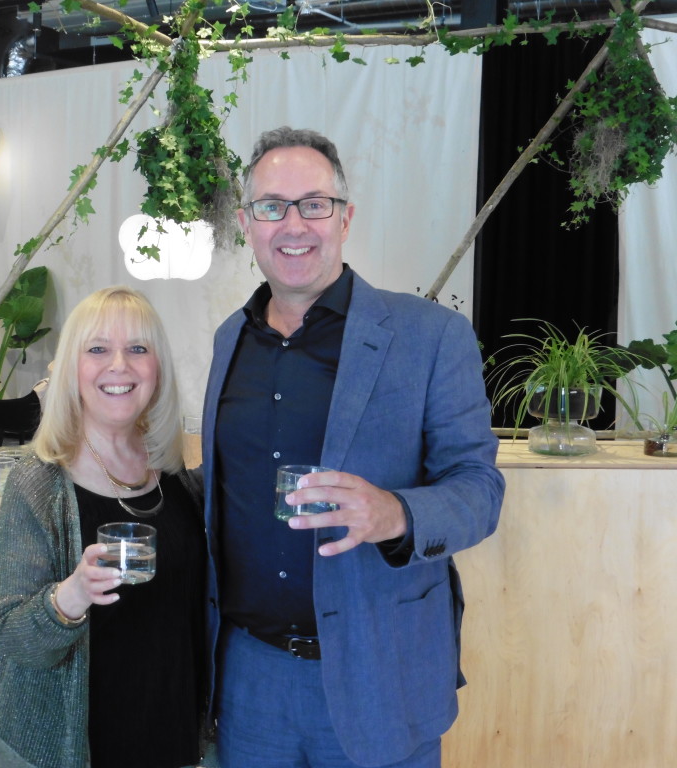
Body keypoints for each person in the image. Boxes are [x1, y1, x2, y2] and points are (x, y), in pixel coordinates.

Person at [202, 127, 505, 768]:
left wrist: (393, 515)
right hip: (248, 677)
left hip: (379, 671)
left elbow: (479, 487)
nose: (294, 224)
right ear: (246, 222)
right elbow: (223, 483)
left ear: (345, 218)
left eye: (314, 203)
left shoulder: (430, 336)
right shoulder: (230, 339)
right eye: (272, 206)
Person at [0, 286, 206, 768]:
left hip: (174, 735)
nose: (119, 366)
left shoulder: (174, 473)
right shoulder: (39, 481)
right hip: (81, 747)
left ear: (158, 369)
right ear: (72, 368)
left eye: (138, 349)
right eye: (98, 349)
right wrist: (73, 594)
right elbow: (13, 635)